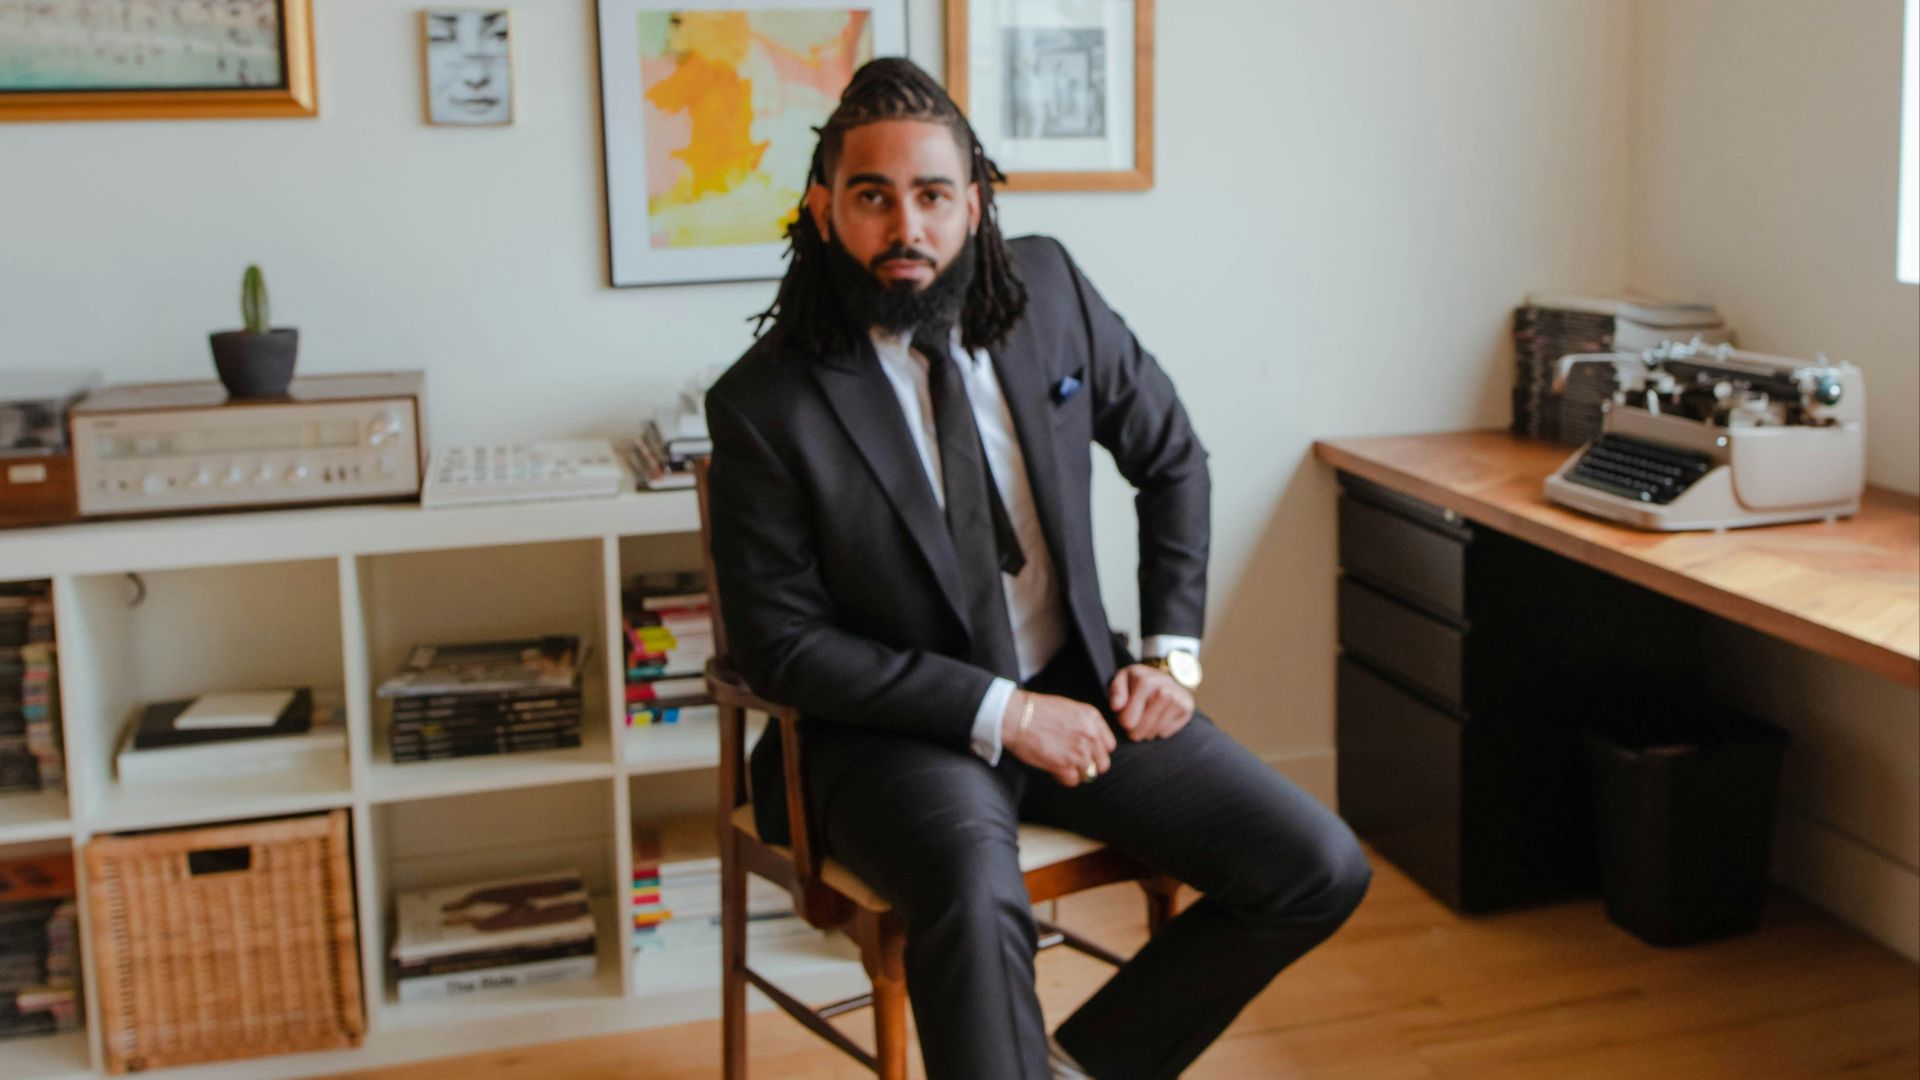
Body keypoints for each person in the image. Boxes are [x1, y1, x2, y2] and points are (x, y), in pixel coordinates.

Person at [704, 57, 1371, 1080]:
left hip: (1082, 690)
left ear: (975, 202)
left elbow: (1172, 458)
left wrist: (1171, 658)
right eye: (872, 198)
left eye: (932, 196)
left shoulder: (1048, 290)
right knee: (975, 894)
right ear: (821, 207)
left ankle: (1076, 1064)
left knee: (1315, 868)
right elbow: (782, 648)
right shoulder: (765, 401)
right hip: (889, 739)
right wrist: (1001, 714)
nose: (906, 231)